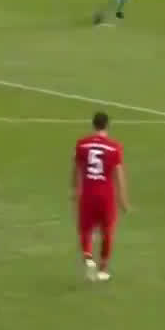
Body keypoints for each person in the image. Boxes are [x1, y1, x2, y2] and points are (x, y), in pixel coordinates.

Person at [73, 111, 127, 282]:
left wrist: (75, 189)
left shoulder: (82, 144)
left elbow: (76, 169)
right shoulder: (114, 147)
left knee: (86, 229)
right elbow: (119, 175)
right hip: (106, 195)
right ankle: (103, 269)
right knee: (107, 231)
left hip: (88, 193)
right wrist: (123, 200)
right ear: (107, 126)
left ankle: (88, 257)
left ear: (93, 124)